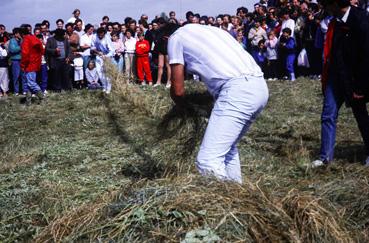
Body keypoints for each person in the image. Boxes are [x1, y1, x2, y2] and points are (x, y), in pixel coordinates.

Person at [166, 23, 269, 183]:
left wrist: (187, 109)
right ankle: (239, 197)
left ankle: (226, 205)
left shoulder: (175, 38)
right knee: (227, 149)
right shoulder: (213, 31)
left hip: (237, 91)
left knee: (208, 161)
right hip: (259, 87)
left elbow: (178, 91)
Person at [312, 0, 369, 167]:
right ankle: (325, 158)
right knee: (328, 115)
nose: (325, 9)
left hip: (356, 78)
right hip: (336, 76)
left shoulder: (362, 20)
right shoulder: (335, 21)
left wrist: (360, 87)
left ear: (335, 4)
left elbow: (367, 57)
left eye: (326, 5)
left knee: (361, 116)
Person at [20, 27, 44, 105]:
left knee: (31, 83)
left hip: (29, 64)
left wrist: (23, 65)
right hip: (36, 63)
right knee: (29, 83)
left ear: (22, 34)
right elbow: (42, 50)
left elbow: (25, 54)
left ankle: (42, 97)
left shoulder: (26, 40)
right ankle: (28, 101)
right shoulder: (34, 38)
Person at [91, 27, 115, 94]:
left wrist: (106, 56)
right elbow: (92, 47)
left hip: (107, 56)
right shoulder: (94, 37)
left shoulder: (107, 38)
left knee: (107, 73)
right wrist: (98, 52)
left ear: (104, 34)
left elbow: (112, 50)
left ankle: (108, 88)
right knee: (99, 72)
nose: (100, 36)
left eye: (102, 35)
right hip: (98, 56)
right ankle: (104, 86)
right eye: (99, 35)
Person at [8, 28, 24, 95]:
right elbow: (12, 50)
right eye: (17, 33)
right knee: (16, 76)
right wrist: (21, 47)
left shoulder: (22, 40)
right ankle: (16, 91)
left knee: (23, 76)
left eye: (19, 33)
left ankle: (24, 90)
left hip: (22, 60)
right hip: (15, 61)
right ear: (15, 34)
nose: (19, 34)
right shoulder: (12, 41)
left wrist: (22, 43)